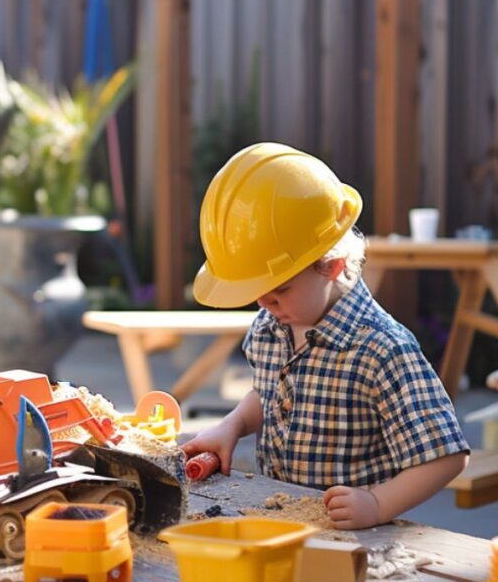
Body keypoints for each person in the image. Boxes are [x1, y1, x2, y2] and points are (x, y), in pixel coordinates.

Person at [181, 142, 469, 530]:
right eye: (256, 293)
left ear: (331, 267)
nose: (265, 304)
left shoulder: (381, 349)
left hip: (353, 540)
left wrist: (378, 504)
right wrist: (230, 426)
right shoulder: (271, 327)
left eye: (278, 291)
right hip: (280, 519)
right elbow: (268, 393)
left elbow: (445, 455)